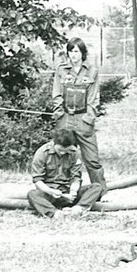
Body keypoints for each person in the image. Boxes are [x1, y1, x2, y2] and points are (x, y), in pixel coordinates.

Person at [52, 38, 107, 195]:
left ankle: (100, 193)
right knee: (63, 155)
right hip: (65, 118)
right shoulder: (61, 69)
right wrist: (59, 113)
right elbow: (56, 93)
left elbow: (94, 97)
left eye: (76, 51)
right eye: (70, 51)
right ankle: (61, 190)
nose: (73, 54)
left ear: (83, 53)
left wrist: (89, 117)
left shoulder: (92, 71)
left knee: (92, 159)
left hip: (83, 118)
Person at [27, 128, 104, 219]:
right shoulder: (42, 153)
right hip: (50, 193)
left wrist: (73, 191)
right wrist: (51, 192)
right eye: (60, 150)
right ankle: (54, 213)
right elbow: (37, 180)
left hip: (68, 191)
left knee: (96, 187)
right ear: (54, 143)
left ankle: (79, 208)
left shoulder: (74, 152)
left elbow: (76, 176)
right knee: (32, 194)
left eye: (66, 150)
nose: (63, 153)